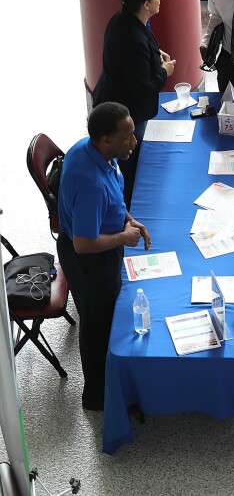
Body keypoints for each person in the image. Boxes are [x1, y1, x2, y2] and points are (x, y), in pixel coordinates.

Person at [56, 102, 152, 411]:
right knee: (97, 325)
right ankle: (97, 396)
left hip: (102, 242)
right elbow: (84, 244)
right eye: (128, 137)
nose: (134, 142)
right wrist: (124, 237)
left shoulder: (97, 152)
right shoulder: (90, 184)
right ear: (106, 140)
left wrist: (128, 219)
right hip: (89, 260)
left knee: (107, 318)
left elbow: (114, 194)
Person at [91, 0, 176, 208]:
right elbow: (143, 88)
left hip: (115, 97)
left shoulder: (124, 20)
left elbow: (140, 53)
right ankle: (125, 209)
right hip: (124, 111)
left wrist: (155, 56)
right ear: (146, 4)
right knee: (128, 167)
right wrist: (164, 71)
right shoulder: (132, 38)